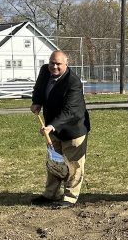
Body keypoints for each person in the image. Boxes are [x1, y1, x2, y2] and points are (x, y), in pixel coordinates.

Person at [30, 50, 90, 208]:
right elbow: (39, 88)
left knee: (73, 165)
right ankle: (51, 194)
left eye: (58, 64)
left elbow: (70, 111)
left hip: (73, 129)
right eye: (52, 63)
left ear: (66, 64)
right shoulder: (45, 70)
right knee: (54, 161)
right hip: (53, 129)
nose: (54, 66)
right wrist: (37, 101)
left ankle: (70, 197)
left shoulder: (73, 82)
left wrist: (51, 126)